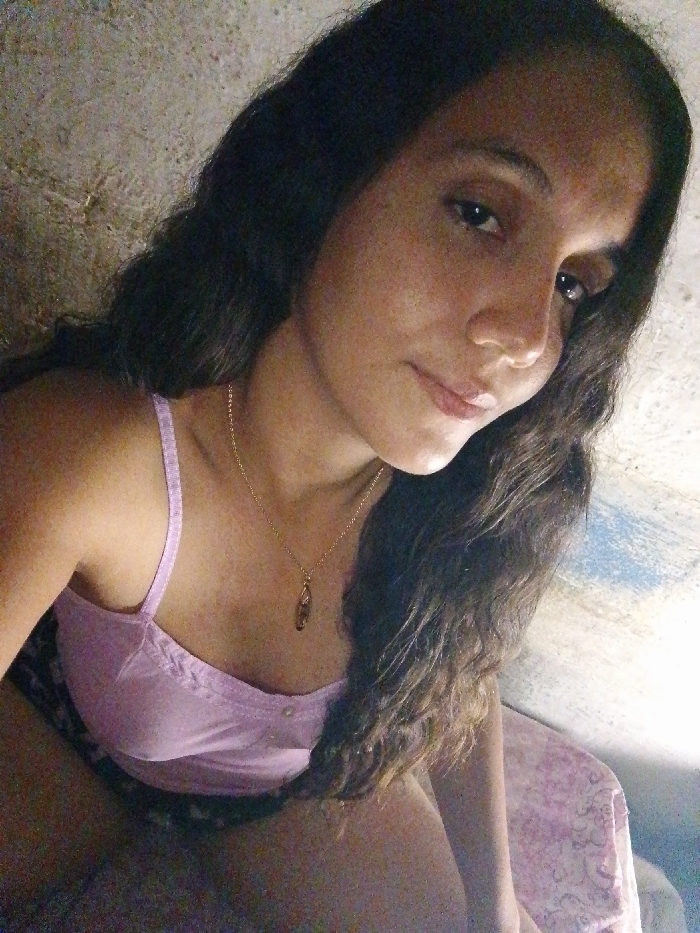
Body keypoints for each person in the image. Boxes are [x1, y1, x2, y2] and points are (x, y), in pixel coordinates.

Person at [0, 0, 692, 930]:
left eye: (573, 284)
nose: (527, 337)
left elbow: (458, 669)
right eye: (480, 213)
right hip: (63, 739)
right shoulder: (92, 456)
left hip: (270, 800)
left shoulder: (455, 506)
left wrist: (496, 901)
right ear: (323, 178)